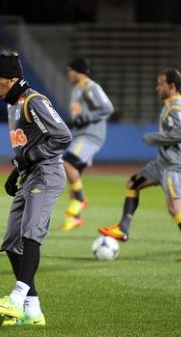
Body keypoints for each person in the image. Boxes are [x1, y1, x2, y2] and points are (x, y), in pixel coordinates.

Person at [0, 51, 72, 325]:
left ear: (14, 78)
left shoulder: (33, 101)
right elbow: (27, 147)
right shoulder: (13, 104)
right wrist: (16, 171)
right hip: (29, 176)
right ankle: (33, 312)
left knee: (30, 233)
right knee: (12, 242)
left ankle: (17, 297)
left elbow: (63, 136)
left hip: (46, 174)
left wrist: (30, 159)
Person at [98, 69, 181, 264]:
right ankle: (123, 229)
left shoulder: (175, 107)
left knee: (175, 208)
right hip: (163, 163)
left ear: (171, 86)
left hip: (175, 165)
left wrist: (156, 139)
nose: (157, 87)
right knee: (133, 182)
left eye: (161, 84)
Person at [59, 57, 114, 231]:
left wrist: (85, 118)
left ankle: (80, 199)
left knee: (66, 163)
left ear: (77, 71)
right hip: (81, 136)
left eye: (69, 70)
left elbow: (107, 108)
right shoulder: (77, 89)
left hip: (90, 136)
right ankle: (75, 217)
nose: (68, 74)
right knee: (73, 174)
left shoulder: (90, 87)